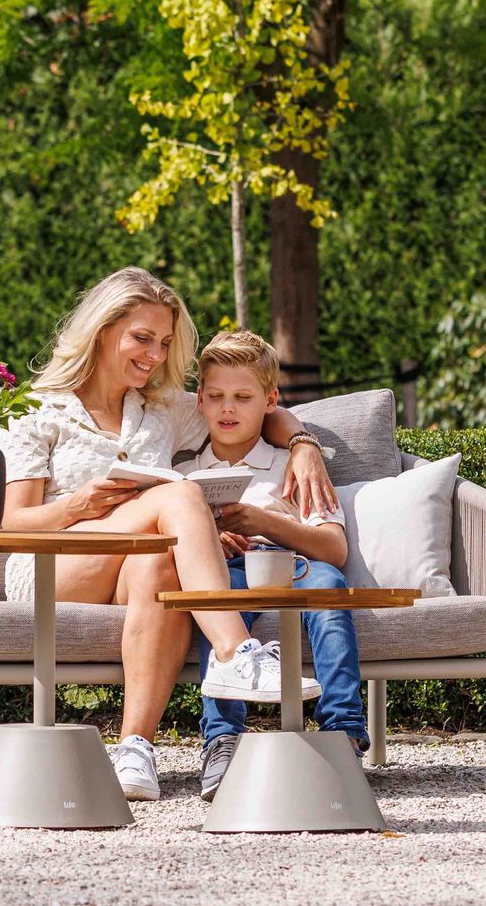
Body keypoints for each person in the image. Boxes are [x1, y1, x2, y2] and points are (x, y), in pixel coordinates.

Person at [0, 267, 338, 801]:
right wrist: (76, 506)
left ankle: (135, 750)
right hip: (55, 568)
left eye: (165, 342)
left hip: (131, 569)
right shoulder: (39, 408)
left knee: (159, 563)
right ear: (103, 330)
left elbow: (246, 409)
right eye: (142, 338)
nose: (154, 355)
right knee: (179, 495)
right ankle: (235, 653)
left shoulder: (161, 408)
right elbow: (10, 522)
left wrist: (303, 444)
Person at [178, 329, 365, 800]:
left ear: (270, 400)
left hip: (294, 563)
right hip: (226, 569)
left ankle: (343, 730)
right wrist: (211, 537)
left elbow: (333, 550)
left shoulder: (294, 465)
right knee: (217, 603)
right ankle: (222, 739)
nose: (227, 409)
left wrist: (263, 522)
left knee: (329, 586)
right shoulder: (183, 473)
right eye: (216, 397)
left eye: (243, 398)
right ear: (199, 400)